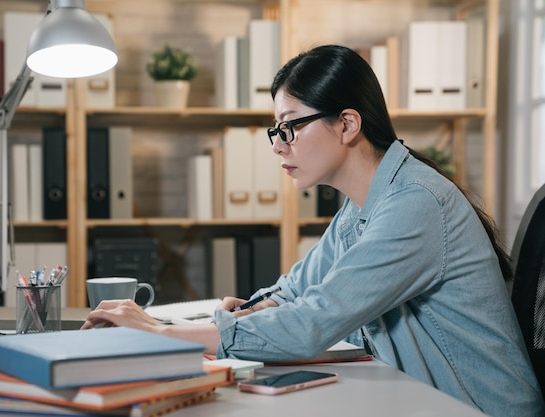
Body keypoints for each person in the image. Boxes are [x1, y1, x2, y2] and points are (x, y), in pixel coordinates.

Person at [82, 45, 544, 416]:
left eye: (291, 128)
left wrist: (160, 336)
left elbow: (313, 321)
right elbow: (294, 292)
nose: (279, 146)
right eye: (275, 131)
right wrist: (241, 313)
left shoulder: (415, 204)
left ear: (346, 124)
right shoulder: (360, 207)